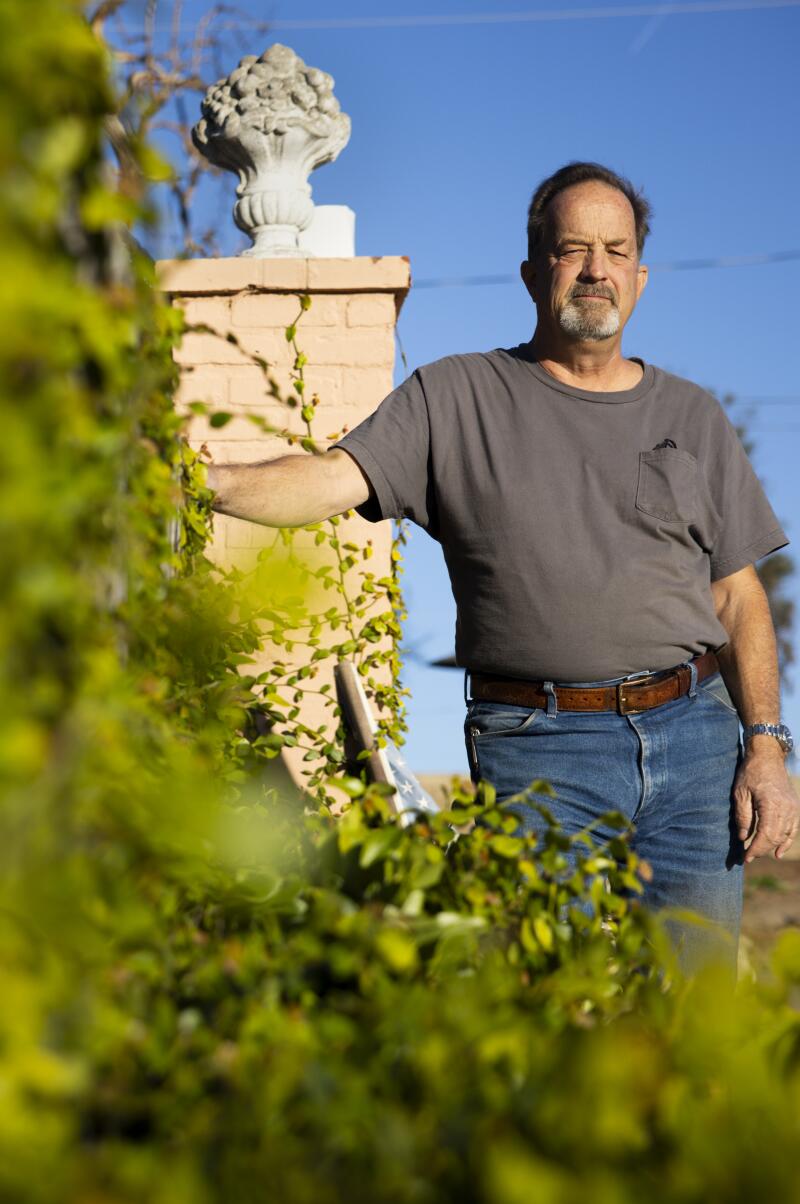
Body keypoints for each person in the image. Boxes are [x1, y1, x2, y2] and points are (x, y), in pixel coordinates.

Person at [207, 161, 798, 972]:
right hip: (540, 748)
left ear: (641, 275)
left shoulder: (690, 415)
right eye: (574, 248)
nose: (597, 269)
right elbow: (329, 477)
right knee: (539, 1001)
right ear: (533, 270)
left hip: (694, 742)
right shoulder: (456, 398)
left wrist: (765, 747)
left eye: (616, 250)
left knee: (696, 1014)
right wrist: (207, 483)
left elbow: (737, 599)